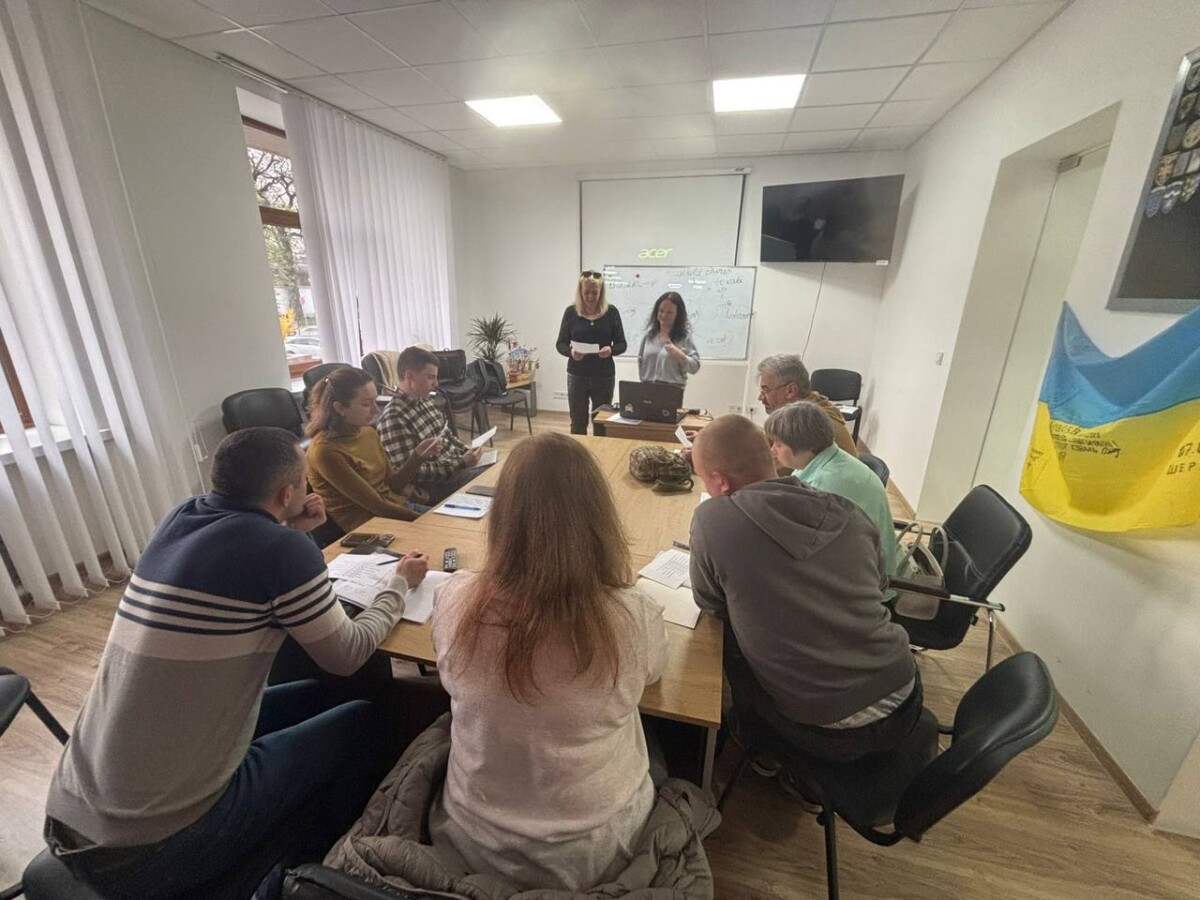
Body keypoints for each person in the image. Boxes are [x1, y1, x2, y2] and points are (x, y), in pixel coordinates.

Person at [43, 427, 432, 900]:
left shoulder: (179, 519)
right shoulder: (281, 550)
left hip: (72, 817)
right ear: (286, 493)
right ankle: (301, 878)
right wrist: (398, 585)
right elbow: (348, 654)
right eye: (303, 484)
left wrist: (290, 530)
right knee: (363, 719)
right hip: (147, 850)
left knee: (321, 695)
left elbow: (253, 562)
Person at [429, 432, 668, 890]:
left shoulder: (454, 596)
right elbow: (654, 674)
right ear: (598, 518)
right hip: (595, 854)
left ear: (503, 517)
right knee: (657, 738)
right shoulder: (633, 614)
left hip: (469, 840)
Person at [688, 415, 919, 764]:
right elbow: (877, 583)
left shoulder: (713, 520)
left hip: (830, 727)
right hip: (904, 689)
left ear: (720, 482)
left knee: (727, 640)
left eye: (703, 477)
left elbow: (710, 603)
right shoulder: (848, 511)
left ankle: (755, 744)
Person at [764, 401, 907, 585]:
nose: (772, 451)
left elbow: (801, 546)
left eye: (778, 445)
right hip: (864, 565)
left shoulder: (824, 485)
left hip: (865, 584)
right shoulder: (828, 459)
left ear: (804, 446)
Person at [306, 366, 436, 531]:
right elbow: (377, 506)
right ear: (339, 408)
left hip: (398, 510)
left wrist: (417, 457)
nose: (376, 410)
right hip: (371, 527)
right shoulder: (325, 451)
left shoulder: (367, 432)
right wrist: (431, 523)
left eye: (375, 401)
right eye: (366, 404)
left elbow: (392, 486)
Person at [377, 346, 489, 505]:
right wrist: (462, 462)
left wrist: (467, 451)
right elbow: (412, 473)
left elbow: (447, 436)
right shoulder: (394, 418)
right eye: (430, 377)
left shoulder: (426, 401)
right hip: (436, 485)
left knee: (503, 468)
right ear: (409, 376)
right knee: (499, 478)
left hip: (454, 468)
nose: (436, 383)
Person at [556, 270, 627, 435]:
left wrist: (611, 350)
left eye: (595, 292)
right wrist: (571, 352)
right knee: (578, 422)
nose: (590, 296)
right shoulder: (571, 312)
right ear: (580, 291)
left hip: (603, 376)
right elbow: (560, 344)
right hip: (577, 375)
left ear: (601, 292)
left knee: (601, 422)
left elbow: (622, 344)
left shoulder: (611, 312)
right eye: (586, 292)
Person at [756, 353, 858, 456]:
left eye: (766, 390)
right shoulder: (808, 407)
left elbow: (772, 462)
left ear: (791, 390)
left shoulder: (810, 424)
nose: (760, 397)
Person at [637, 291, 700, 389]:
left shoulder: (684, 338)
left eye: (669, 313)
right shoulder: (649, 337)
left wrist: (679, 354)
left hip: (672, 390)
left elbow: (695, 367)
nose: (664, 315)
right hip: (647, 388)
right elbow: (641, 362)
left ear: (677, 315)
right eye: (661, 311)